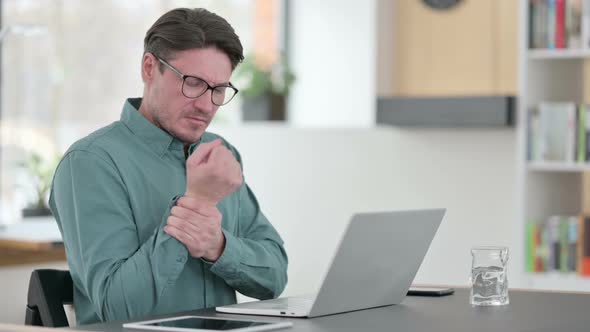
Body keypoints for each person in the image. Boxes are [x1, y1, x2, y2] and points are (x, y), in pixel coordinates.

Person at [49, 8, 288, 325]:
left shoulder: (219, 154)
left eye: (218, 90)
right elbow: (118, 310)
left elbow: (274, 277)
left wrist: (218, 246)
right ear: (149, 68)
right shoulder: (91, 163)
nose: (206, 105)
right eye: (193, 83)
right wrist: (196, 204)